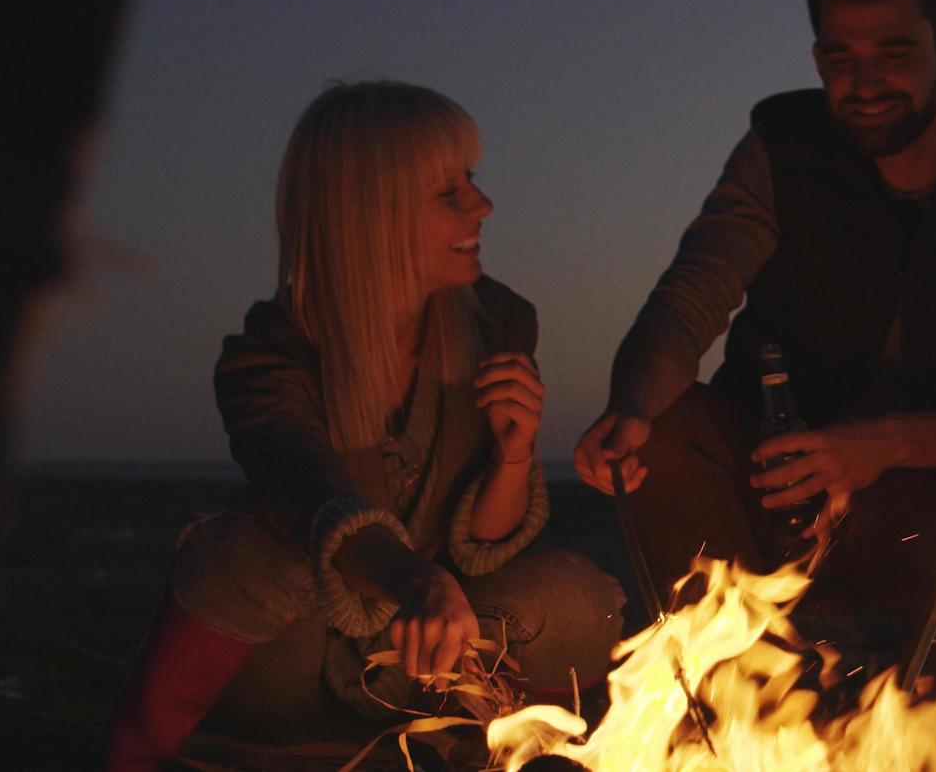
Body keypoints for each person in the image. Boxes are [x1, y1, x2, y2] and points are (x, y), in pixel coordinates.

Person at [573, 0, 936, 675]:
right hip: (773, 478)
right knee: (662, 433)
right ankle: (742, 693)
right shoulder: (781, 148)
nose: (865, 82)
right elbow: (691, 295)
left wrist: (882, 446)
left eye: (894, 53)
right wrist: (630, 402)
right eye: (839, 59)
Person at [104, 81, 622, 769]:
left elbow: (481, 554)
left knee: (572, 595)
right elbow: (304, 487)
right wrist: (412, 580)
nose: (484, 205)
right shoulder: (270, 356)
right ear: (367, 216)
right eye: (449, 193)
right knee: (244, 553)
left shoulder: (496, 324)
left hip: (425, 669)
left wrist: (514, 456)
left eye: (472, 180)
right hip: (295, 668)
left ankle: (522, 751)